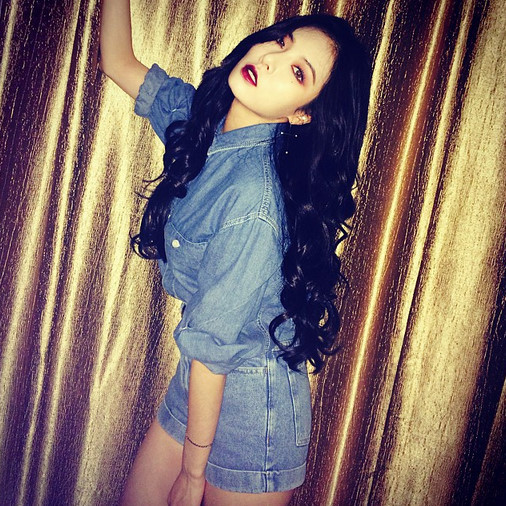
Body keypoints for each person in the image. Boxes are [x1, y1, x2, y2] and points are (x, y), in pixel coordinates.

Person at [100, 1, 371, 504]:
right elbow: (117, 62)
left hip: (254, 410)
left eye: (297, 72)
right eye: (282, 42)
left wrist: (193, 474)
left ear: (302, 113)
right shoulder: (202, 121)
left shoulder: (254, 199)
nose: (269, 59)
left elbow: (214, 346)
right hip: (200, 378)